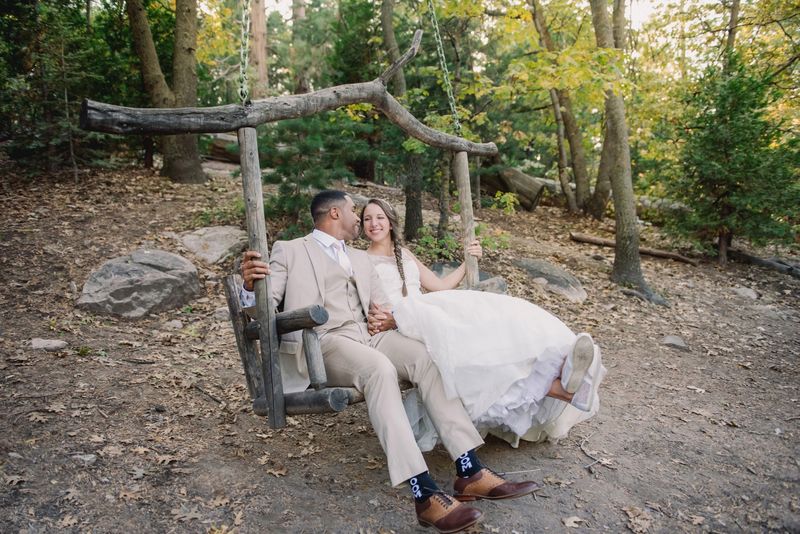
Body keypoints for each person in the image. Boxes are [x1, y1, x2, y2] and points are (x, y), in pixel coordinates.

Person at [240, 190, 539, 533]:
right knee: (379, 369)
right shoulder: (291, 250)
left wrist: (388, 318)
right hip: (322, 343)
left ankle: (469, 469)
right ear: (335, 213)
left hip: (368, 338)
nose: (360, 219)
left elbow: (381, 308)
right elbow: (263, 306)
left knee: (425, 359)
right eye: (355, 211)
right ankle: (423, 492)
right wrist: (251, 286)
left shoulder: (360, 258)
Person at [361, 198, 605, 450]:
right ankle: (564, 390)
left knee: (496, 324)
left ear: (390, 222)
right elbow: (365, 303)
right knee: (476, 351)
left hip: (423, 313)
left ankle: (562, 364)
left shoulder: (406, 254)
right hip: (401, 324)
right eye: (367, 219)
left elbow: (440, 285)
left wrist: (468, 263)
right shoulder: (360, 260)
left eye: (379, 217)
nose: (373, 223)